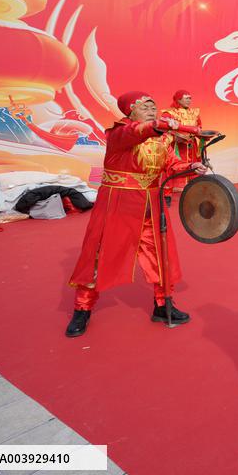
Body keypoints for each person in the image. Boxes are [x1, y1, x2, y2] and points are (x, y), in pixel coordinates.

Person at [65, 92, 208, 338]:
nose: (152, 110)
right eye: (145, 107)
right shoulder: (119, 134)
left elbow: (171, 165)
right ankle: (82, 308)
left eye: (154, 106)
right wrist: (165, 125)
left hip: (151, 204)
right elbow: (137, 132)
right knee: (98, 254)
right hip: (118, 204)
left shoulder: (162, 140)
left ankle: (162, 305)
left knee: (160, 254)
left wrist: (191, 166)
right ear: (130, 112)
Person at [161, 90, 202, 195]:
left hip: (191, 146)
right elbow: (163, 130)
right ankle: (169, 191)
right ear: (178, 100)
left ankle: (191, 188)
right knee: (174, 166)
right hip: (176, 146)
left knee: (193, 165)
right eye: (186, 98)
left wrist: (203, 136)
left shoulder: (195, 113)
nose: (189, 100)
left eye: (190, 98)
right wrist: (175, 138)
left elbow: (199, 128)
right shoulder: (169, 113)